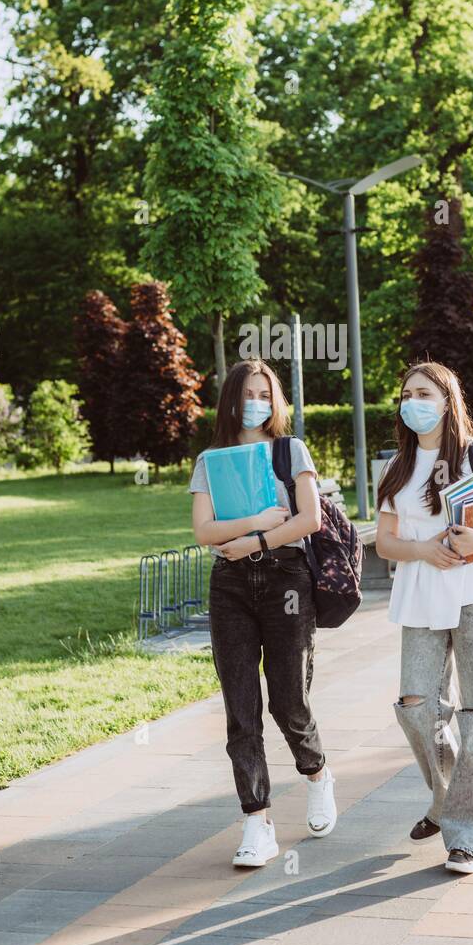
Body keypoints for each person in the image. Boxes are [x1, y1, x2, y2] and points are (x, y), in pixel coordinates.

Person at [375, 361, 473, 875]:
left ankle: (468, 836)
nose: (412, 401)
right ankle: (445, 796)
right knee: (415, 705)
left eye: (423, 392)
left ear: (447, 401)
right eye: (406, 394)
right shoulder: (396, 467)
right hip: (421, 594)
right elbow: (384, 542)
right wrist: (422, 549)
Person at [189, 358, 337, 868]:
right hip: (229, 584)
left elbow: (311, 519)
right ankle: (258, 821)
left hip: (285, 580)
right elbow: (204, 532)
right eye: (246, 392)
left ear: (276, 401)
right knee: (241, 709)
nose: (255, 401)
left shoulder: (290, 450)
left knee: (289, 701)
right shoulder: (211, 460)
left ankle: (316, 773)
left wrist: (253, 539)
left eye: (264, 392)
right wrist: (252, 524)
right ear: (230, 399)